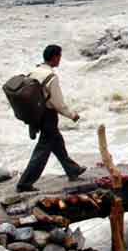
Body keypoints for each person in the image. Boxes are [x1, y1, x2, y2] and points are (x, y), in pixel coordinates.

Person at [16, 45, 86, 193]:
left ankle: (72, 170)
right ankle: (25, 183)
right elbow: (58, 103)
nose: (60, 59)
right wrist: (72, 115)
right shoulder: (51, 77)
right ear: (54, 57)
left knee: (57, 142)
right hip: (48, 115)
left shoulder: (34, 71)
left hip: (37, 114)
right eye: (59, 56)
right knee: (42, 151)